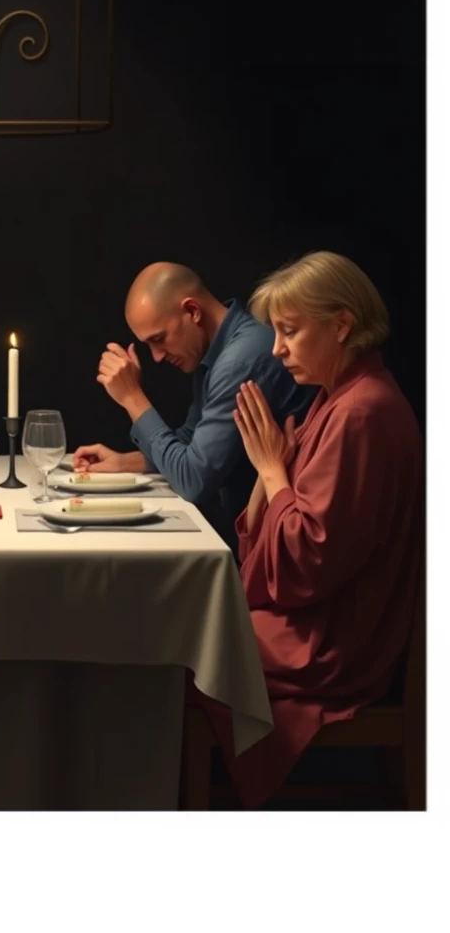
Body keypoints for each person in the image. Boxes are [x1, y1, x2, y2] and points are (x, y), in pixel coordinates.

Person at [196, 251, 423, 808]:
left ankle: (175, 800)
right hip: (316, 618)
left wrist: (273, 470)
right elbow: (272, 532)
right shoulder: (336, 400)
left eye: (290, 332)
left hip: (332, 642)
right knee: (185, 629)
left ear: (342, 325)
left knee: (183, 644)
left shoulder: (362, 413)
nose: (276, 350)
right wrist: (266, 467)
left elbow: (304, 561)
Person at [73, 262, 316, 549]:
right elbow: (190, 443)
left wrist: (132, 398)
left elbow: (193, 480)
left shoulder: (239, 361)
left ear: (192, 311)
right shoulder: (219, 350)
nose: (156, 357)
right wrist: (127, 462)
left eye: (159, 339)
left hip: (277, 547)